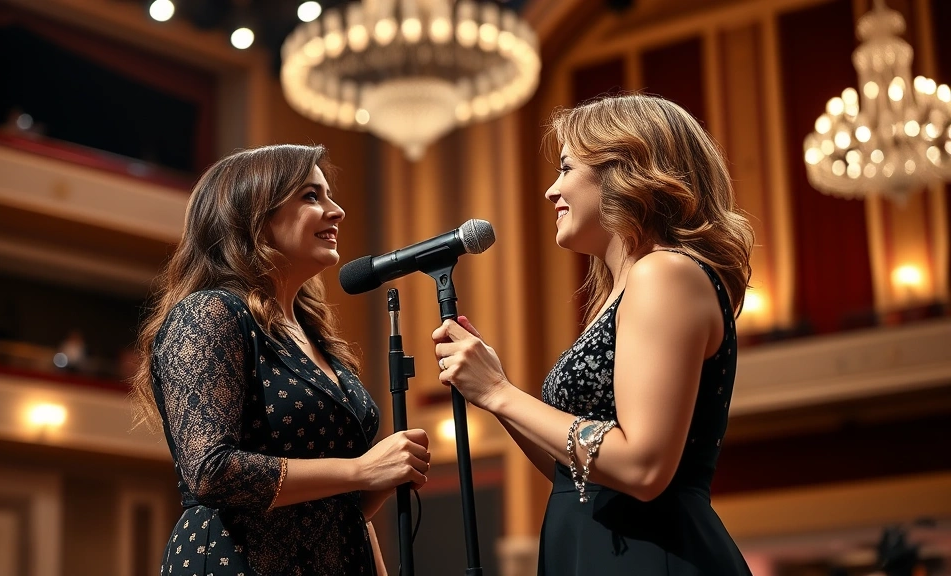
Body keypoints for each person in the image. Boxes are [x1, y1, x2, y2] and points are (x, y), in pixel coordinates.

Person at [432, 94, 755, 575]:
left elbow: (641, 467)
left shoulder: (664, 273)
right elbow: (578, 473)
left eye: (566, 168)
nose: (550, 190)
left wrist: (501, 394)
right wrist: (493, 392)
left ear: (626, 171)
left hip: (650, 553)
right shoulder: (628, 290)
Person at [131, 144, 431, 576]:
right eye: (311, 196)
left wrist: (376, 484)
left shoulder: (314, 336)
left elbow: (340, 505)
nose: (338, 211)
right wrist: (361, 470)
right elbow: (211, 471)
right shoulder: (210, 313)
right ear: (253, 216)